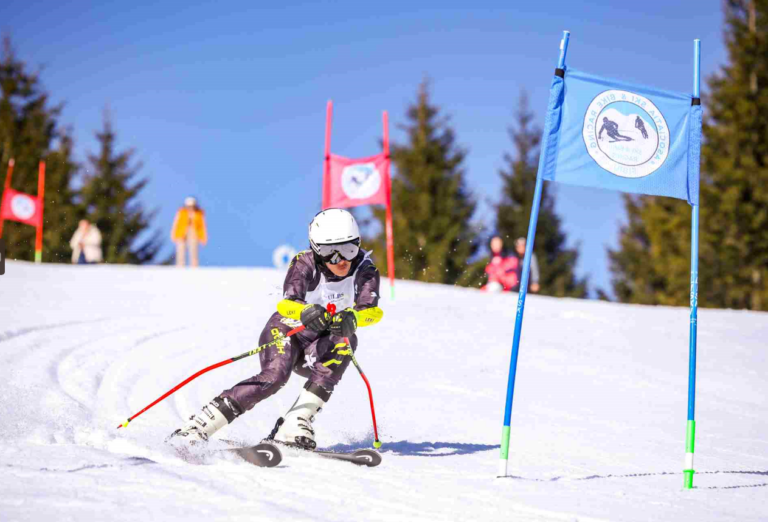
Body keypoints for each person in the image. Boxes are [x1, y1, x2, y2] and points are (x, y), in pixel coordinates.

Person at [170, 209, 384, 449]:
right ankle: (199, 425)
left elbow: (371, 311)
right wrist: (305, 311)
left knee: (347, 341)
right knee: (275, 376)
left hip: (318, 347)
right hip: (287, 331)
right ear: (315, 249)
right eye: (328, 252)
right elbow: (286, 303)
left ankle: (294, 422)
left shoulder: (365, 269)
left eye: (348, 249)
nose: (341, 260)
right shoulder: (305, 262)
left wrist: (353, 318)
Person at [171, 197, 207, 267]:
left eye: (191, 206)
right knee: (180, 251)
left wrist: (203, 237)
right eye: (188, 206)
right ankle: (180, 267)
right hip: (181, 233)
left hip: (194, 233)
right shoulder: (181, 212)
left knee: (193, 251)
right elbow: (176, 224)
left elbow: (202, 226)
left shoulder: (199, 213)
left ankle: (194, 267)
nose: (190, 208)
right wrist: (174, 234)